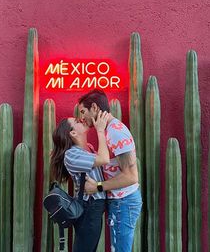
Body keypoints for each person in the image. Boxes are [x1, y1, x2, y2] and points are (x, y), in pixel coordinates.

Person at [78, 89, 142, 252]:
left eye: (83, 111)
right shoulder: (108, 130)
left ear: (94, 107)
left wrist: (98, 186)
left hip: (124, 202)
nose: (81, 117)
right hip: (120, 201)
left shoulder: (115, 132)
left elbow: (131, 176)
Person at [50, 111, 110, 252]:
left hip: (94, 207)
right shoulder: (71, 154)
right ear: (73, 134)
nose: (81, 120)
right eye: (77, 121)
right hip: (90, 207)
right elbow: (104, 159)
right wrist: (100, 131)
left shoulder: (86, 149)